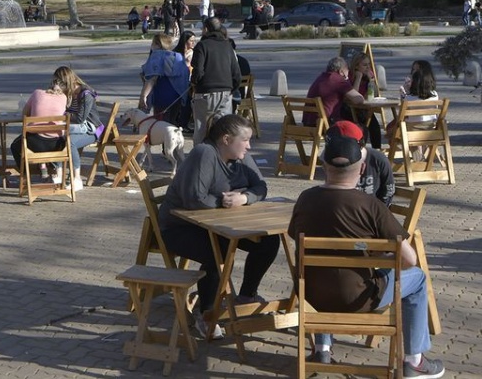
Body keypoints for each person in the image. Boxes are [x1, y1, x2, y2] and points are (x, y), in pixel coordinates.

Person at [288, 136, 446, 377]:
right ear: (362, 168)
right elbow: (409, 260)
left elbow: (294, 235)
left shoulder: (305, 199)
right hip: (360, 298)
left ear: (323, 165)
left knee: (322, 270)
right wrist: (377, 259)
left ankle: (322, 349)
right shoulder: (371, 206)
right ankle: (414, 361)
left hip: (312, 296)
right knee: (418, 278)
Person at [156, 115, 277, 339]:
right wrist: (225, 202)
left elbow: (261, 186)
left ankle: (247, 296)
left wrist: (244, 198)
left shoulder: (241, 157)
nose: (249, 146)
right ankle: (206, 313)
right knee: (217, 250)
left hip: (222, 225)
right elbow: (194, 199)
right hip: (180, 228)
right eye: (245, 140)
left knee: (268, 240)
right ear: (226, 139)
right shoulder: (204, 153)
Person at [190, 18, 241, 145]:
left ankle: (201, 154)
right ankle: (223, 154)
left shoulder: (202, 45)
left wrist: (194, 83)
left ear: (206, 29)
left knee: (201, 128)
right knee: (224, 129)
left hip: (205, 92)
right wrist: (232, 89)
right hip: (225, 92)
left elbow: (198, 70)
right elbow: (236, 73)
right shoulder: (227, 45)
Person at [10, 76, 70, 177]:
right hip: (56, 144)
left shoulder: (37, 93)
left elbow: (24, 114)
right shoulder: (64, 98)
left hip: (35, 142)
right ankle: (46, 166)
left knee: (15, 146)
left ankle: (26, 176)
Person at [54, 66, 102, 191]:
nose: (57, 86)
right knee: (54, 138)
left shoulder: (86, 94)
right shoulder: (68, 93)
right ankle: (58, 174)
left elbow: (80, 118)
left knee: (70, 142)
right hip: (74, 128)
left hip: (91, 130)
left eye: (59, 83)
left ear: (66, 82)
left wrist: (62, 115)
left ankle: (77, 179)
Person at [328, 120, 396, 206]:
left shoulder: (378, 159)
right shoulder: (330, 158)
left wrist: (377, 210)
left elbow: (388, 190)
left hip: (370, 208)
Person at [139, 34, 191, 125]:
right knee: (171, 123)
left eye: (153, 43)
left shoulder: (156, 56)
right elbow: (185, 75)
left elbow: (152, 79)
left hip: (161, 95)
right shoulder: (178, 56)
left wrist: (144, 96)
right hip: (177, 95)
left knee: (160, 124)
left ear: (158, 44)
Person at [304, 57, 365, 126]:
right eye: (347, 69)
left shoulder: (321, 77)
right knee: (362, 128)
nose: (348, 72)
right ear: (341, 71)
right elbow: (358, 99)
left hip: (309, 123)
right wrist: (358, 78)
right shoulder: (338, 80)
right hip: (326, 124)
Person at [341, 53, 382, 149]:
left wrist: (371, 81)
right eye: (364, 65)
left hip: (363, 108)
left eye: (369, 64)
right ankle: (359, 150)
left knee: (375, 127)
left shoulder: (367, 76)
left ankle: (377, 150)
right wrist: (358, 78)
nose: (368, 67)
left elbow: (374, 95)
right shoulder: (349, 76)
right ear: (356, 66)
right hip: (349, 109)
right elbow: (353, 96)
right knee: (362, 128)